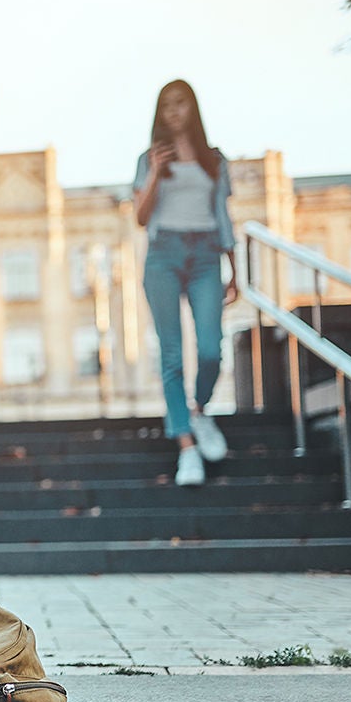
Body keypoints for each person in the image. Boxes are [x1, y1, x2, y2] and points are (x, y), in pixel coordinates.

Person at [132, 79, 239, 487]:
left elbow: (224, 216)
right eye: (167, 105)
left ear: (193, 108)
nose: (174, 111)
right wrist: (157, 172)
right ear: (159, 113)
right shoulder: (149, 158)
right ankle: (187, 448)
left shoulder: (215, 159)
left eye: (181, 103)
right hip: (163, 255)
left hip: (206, 256)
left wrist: (235, 270)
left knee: (211, 348)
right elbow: (140, 217)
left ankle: (198, 410)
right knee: (172, 355)